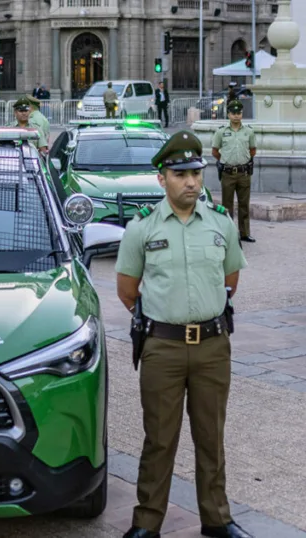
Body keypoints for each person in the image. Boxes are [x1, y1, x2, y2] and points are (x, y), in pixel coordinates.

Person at [115, 129, 250, 538]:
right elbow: (127, 290)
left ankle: (217, 519)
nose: (192, 181)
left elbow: (230, 280)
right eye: (181, 174)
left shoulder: (221, 223)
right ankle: (147, 523)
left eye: (196, 172)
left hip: (212, 346)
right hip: (163, 348)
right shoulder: (142, 227)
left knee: (211, 437)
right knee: (159, 438)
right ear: (162, 178)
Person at [211, 100, 257, 242]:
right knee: (227, 205)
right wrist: (225, 160)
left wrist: (243, 160)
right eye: (233, 113)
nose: (236, 116)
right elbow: (214, 151)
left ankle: (244, 233)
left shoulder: (248, 131)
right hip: (228, 173)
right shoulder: (221, 132)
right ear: (228, 114)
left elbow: (253, 150)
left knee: (244, 204)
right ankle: (229, 233)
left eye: (239, 113)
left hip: (244, 173)